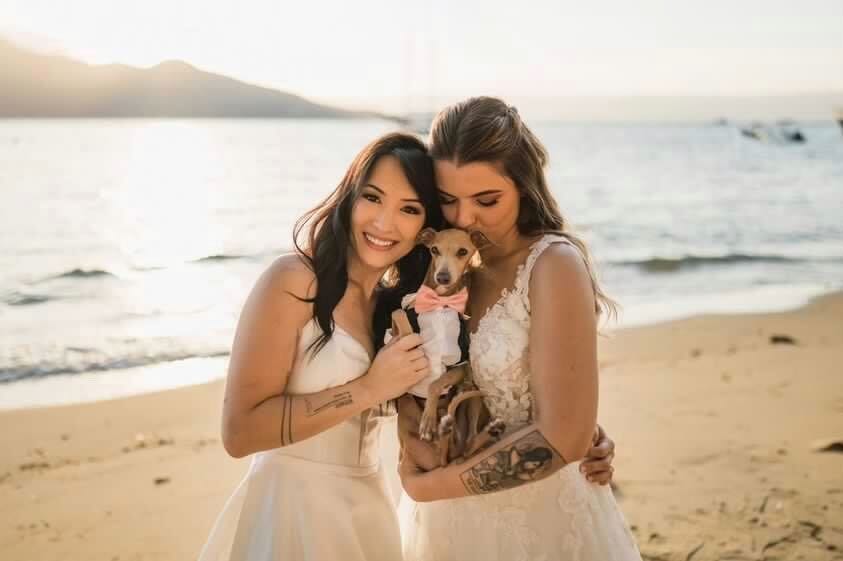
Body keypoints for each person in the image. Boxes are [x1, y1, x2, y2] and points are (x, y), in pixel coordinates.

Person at [398, 97, 641, 560]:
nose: (466, 218)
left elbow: (563, 438)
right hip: (445, 518)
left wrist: (428, 488)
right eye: (449, 200)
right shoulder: (446, 266)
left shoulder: (552, 266)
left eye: (487, 200)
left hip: (534, 516)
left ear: (524, 186)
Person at [198, 132, 440, 561]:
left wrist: (584, 443)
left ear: (426, 229)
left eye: (409, 209)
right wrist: (368, 388)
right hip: (293, 510)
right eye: (373, 197)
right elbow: (239, 433)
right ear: (349, 197)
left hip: (368, 512)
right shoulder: (293, 281)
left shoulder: (397, 309)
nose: (384, 223)